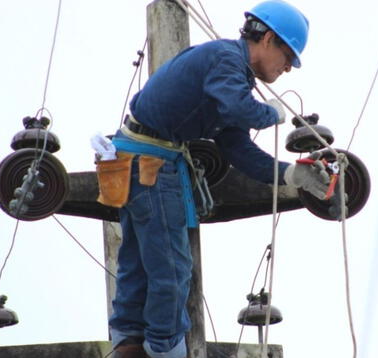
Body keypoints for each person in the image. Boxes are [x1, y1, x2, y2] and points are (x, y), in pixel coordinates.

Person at [105, 1, 329, 357]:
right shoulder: (226, 60)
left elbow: (238, 149)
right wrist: (272, 112)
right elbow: (240, 109)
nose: (288, 68)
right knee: (172, 267)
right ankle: (164, 350)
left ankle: (128, 343)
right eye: (288, 56)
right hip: (149, 163)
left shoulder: (230, 77)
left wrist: (290, 174)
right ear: (268, 39)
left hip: (136, 159)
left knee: (140, 262)